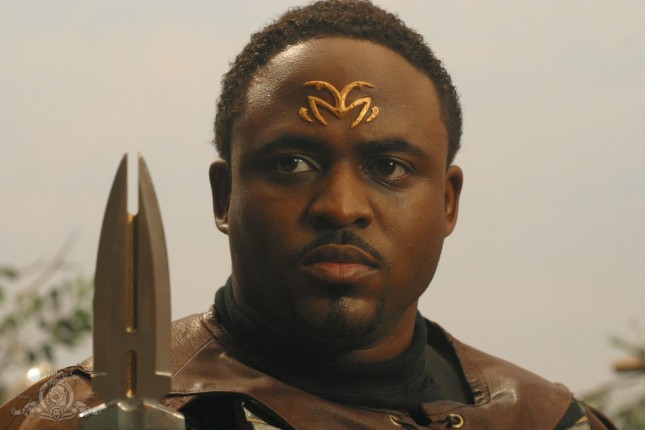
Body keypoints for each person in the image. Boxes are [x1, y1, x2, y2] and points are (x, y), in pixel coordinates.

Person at [0, 1, 617, 429]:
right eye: (292, 164)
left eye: (389, 168)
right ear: (225, 196)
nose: (341, 206)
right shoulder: (70, 416)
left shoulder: (543, 418)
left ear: (448, 203)